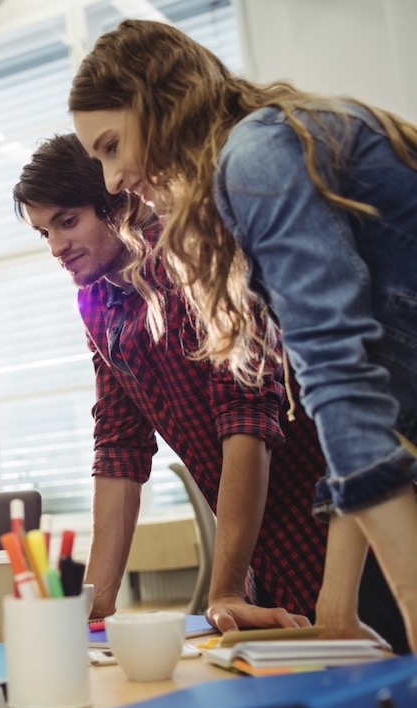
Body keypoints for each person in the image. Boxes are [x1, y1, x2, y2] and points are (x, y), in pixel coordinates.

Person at [69, 19, 417, 651]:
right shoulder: (257, 160)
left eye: (112, 146)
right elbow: (371, 407)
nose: (113, 179)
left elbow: (346, 392)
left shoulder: (255, 159)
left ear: (161, 105)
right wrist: (336, 607)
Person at [13, 134, 406, 650]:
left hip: (348, 536)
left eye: (68, 221)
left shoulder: (194, 260)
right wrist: (98, 607)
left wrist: (221, 588)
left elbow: (247, 420)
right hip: (263, 563)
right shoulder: (98, 307)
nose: (57, 247)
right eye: (45, 232)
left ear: (117, 201)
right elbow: (118, 449)